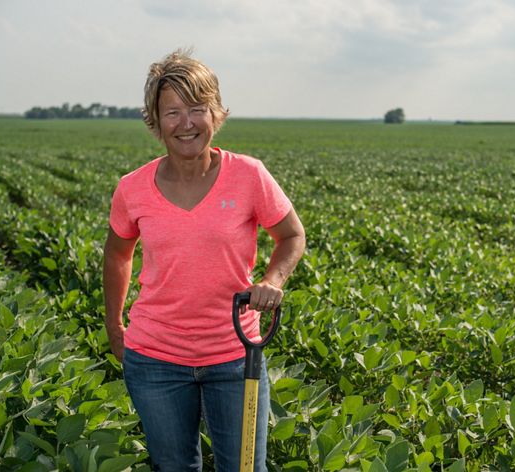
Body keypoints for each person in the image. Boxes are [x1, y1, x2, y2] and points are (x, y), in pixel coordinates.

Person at [103, 49, 306, 472]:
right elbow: (117, 254)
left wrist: (274, 279)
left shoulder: (249, 175)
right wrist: (115, 326)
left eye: (198, 109)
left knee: (245, 468)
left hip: (236, 355)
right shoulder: (132, 188)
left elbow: (291, 236)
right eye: (173, 112)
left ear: (217, 114)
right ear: (155, 121)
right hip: (155, 358)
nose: (187, 123)